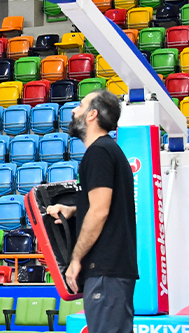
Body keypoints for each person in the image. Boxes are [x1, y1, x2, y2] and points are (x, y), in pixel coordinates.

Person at [46, 90, 138, 333]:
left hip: (106, 271)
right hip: (113, 271)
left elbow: (99, 211)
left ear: (92, 115)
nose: (74, 110)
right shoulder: (110, 151)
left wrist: (75, 259)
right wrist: (74, 209)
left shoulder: (98, 153)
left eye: (80, 105)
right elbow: (107, 204)